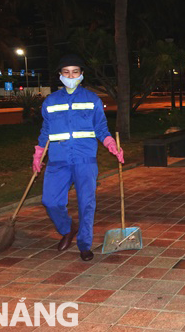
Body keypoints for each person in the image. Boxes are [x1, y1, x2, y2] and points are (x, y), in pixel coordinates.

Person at [32, 54, 124, 261]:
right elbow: (45, 130)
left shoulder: (92, 100)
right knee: (50, 201)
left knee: (86, 203)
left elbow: (101, 128)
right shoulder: (51, 102)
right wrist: (38, 154)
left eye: (75, 72)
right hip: (58, 159)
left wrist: (111, 144)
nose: (70, 75)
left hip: (85, 159)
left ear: (81, 75)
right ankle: (67, 229)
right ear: (60, 75)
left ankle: (84, 244)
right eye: (66, 72)